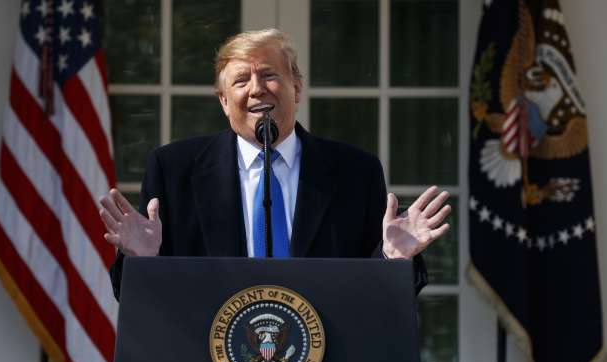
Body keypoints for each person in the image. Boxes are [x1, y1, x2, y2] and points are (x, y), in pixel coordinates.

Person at [99, 29, 451, 300]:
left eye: (269, 75)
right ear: (224, 101)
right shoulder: (174, 169)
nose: (256, 90)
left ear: (296, 89)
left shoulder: (354, 172)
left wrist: (392, 259)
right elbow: (134, 298)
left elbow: (383, 298)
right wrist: (141, 261)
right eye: (240, 81)